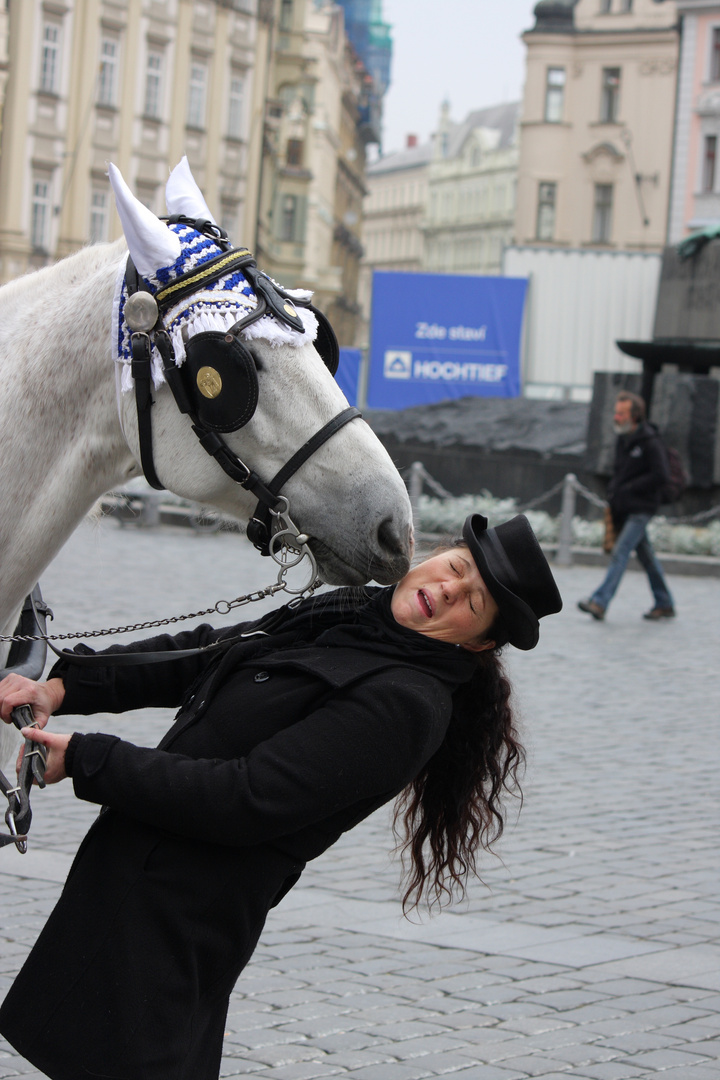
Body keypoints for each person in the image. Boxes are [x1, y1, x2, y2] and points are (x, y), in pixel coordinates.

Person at [0, 513, 561, 1080]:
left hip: (179, 919)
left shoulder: (405, 704)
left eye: (473, 600)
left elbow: (248, 798)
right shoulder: (352, 613)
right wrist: (64, 687)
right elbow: (210, 653)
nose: (446, 588)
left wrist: (87, 758)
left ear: (480, 640)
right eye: (458, 567)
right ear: (437, 553)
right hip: (135, 880)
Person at [578, 390, 675, 622]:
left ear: (634, 416)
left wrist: (631, 488)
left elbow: (662, 475)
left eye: (621, 413)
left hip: (642, 508)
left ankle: (599, 602)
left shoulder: (650, 442)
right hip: (626, 507)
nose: (616, 417)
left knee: (621, 552)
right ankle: (665, 603)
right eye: (616, 413)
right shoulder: (623, 439)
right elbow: (621, 473)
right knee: (647, 557)